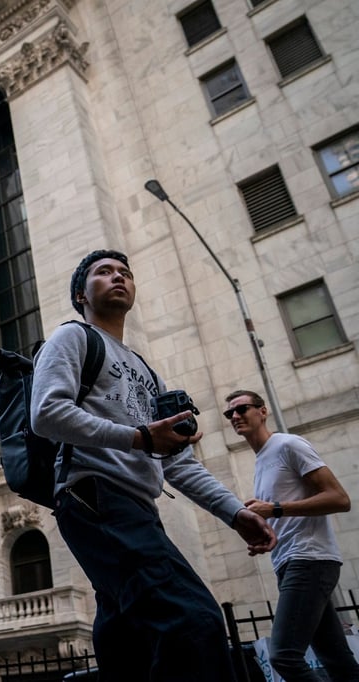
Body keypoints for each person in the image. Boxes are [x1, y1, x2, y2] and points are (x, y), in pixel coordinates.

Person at [29, 249, 276, 681]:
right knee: (194, 619)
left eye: (124, 272)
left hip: (139, 508)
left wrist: (234, 513)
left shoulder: (145, 370)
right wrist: (140, 437)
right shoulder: (72, 338)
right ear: (81, 294)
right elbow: (47, 414)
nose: (118, 277)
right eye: (103, 273)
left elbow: (177, 462)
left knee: (127, 644)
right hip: (95, 497)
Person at [227, 389, 359, 681]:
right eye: (229, 413)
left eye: (242, 408)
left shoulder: (288, 445)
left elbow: (339, 499)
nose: (235, 416)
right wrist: (264, 536)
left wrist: (273, 509)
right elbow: (284, 514)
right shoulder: (261, 461)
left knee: (284, 656)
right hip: (288, 562)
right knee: (337, 660)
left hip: (310, 558)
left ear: (262, 411)